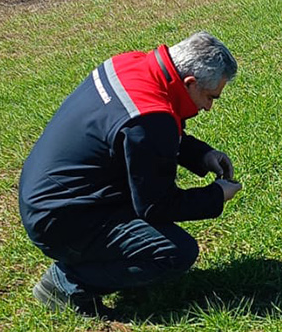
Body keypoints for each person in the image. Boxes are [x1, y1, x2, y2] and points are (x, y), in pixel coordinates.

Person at [18, 32, 242, 315]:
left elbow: (142, 133)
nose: (208, 108)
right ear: (190, 83)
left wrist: (201, 154)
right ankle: (66, 283)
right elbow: (156, 205)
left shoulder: (130, 64)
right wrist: (216, 195)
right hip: (62, 219)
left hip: (43, 195)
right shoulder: (151, 118)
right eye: (210, 97)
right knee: (175, 253)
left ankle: (94, 260)